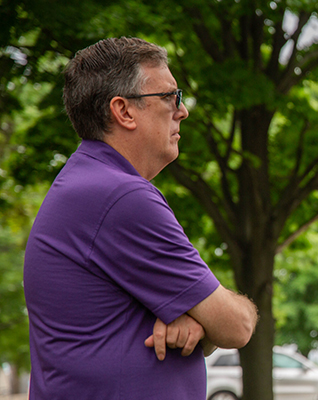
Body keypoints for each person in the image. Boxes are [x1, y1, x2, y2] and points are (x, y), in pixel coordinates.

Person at [23, 37, 258, 400]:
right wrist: (207, 320)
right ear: (124, 111)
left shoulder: (89, 183)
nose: (183, 111)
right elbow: (237, 325)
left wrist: (196, 321)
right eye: (170, 97)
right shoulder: (120, 197)